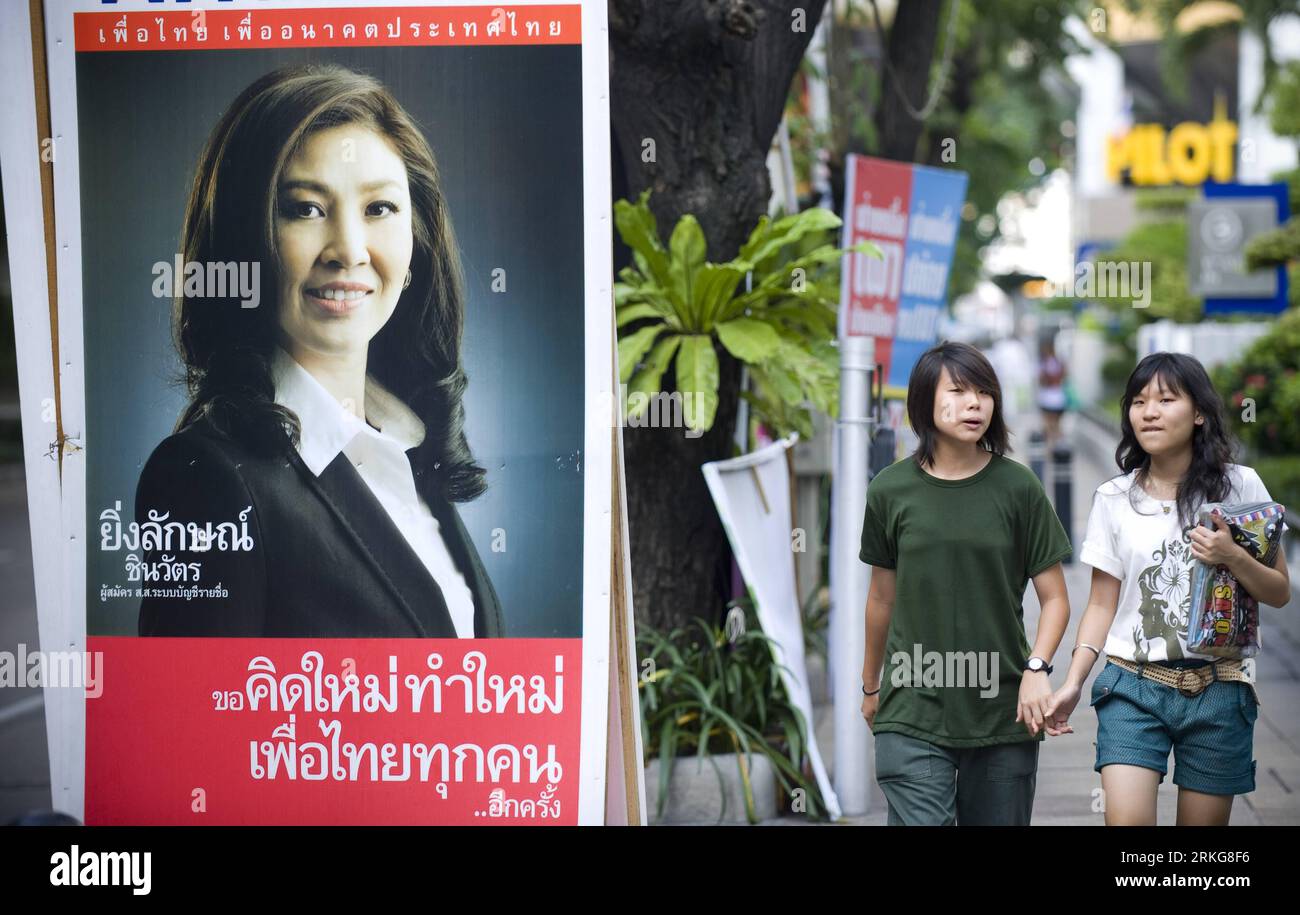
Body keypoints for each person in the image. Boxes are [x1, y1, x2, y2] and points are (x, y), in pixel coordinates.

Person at [134, 63, 504, 638]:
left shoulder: (408, 454)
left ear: (417, 243)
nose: (349, 251)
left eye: (379, 209)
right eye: (304, 208)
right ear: (245, 239)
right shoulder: (205, 478)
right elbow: (194, 726)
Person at [1043, 352, 1290, 825]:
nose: (1148, 411)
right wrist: (1072, 682)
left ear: (1199, 412)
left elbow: (1279, 591)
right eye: (1138, 401)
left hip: (1220, 689)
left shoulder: (1241, 487)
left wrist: (1231, 555)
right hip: (1133, 687)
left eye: (1165, 399)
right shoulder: (1115, 498)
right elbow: (1100, 603)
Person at [859, 341, 1073, 825]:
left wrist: (1037, 669)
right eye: (957, 391)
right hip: (911, 704)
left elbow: (1056, 598)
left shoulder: (1018, 488)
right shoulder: (889, 490)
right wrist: (871, 687)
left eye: (984, 392)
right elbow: (880, 598)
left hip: (1003, 709)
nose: (974, 403)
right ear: (923, 402)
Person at [1037, 339, 1068, 449]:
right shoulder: (1060, 363)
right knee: (1057, 425)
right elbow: (1065, 376)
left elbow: (1041, 380)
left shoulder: (1044, 364)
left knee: (1048, 425)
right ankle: (1059, 447)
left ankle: (1050, 449)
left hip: (1047, 398)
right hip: (1059, 397)